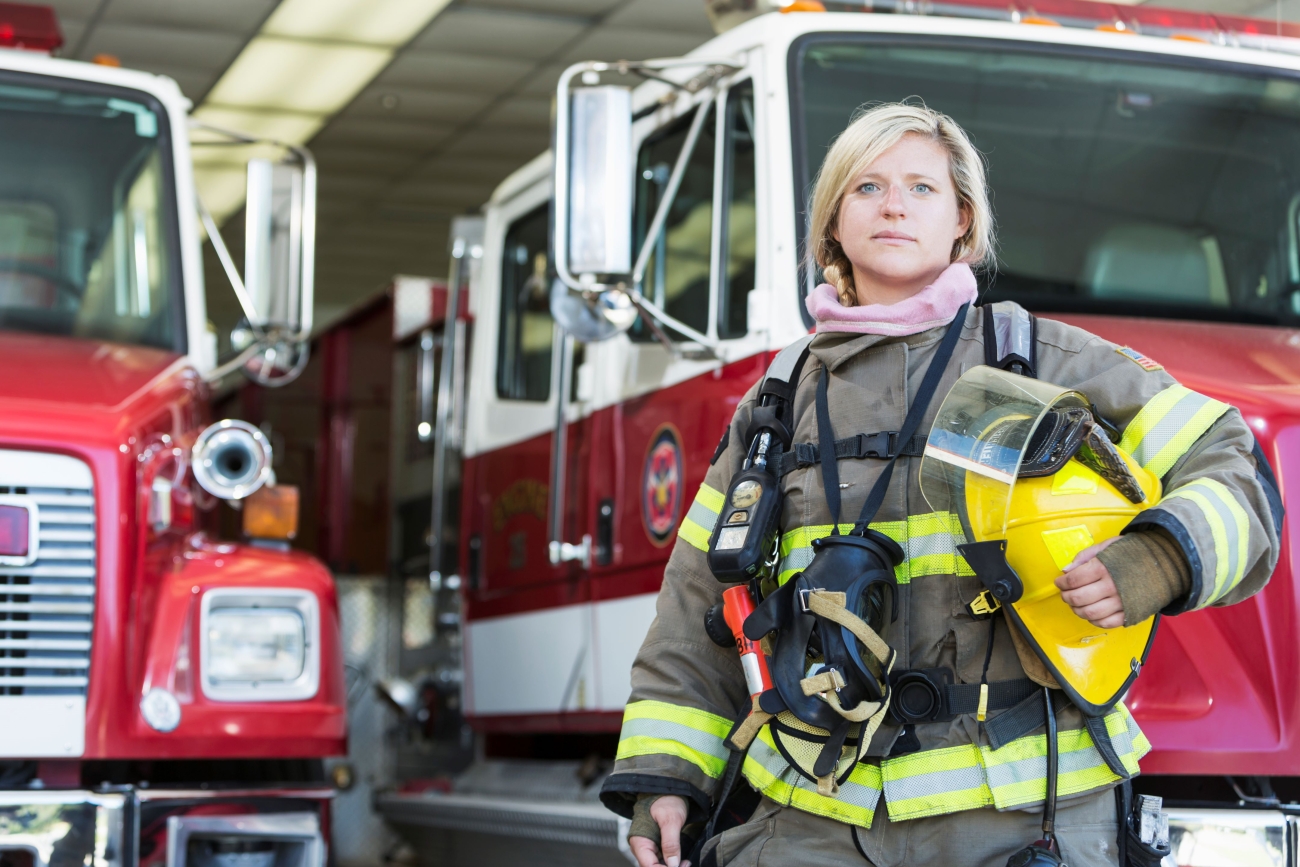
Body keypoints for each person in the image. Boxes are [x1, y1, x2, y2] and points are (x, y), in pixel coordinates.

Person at [599, 101, 1282, 867]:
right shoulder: (778, 399)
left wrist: (1161, 558)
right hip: (812, 816)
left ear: (963, 218)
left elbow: (1234, 461)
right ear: (832, 223)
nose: (894, 204)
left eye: (922, 188)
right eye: (867, 187)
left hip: (1021, 817)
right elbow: (698, 606)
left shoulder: (1043, 359)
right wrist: (667, 777)